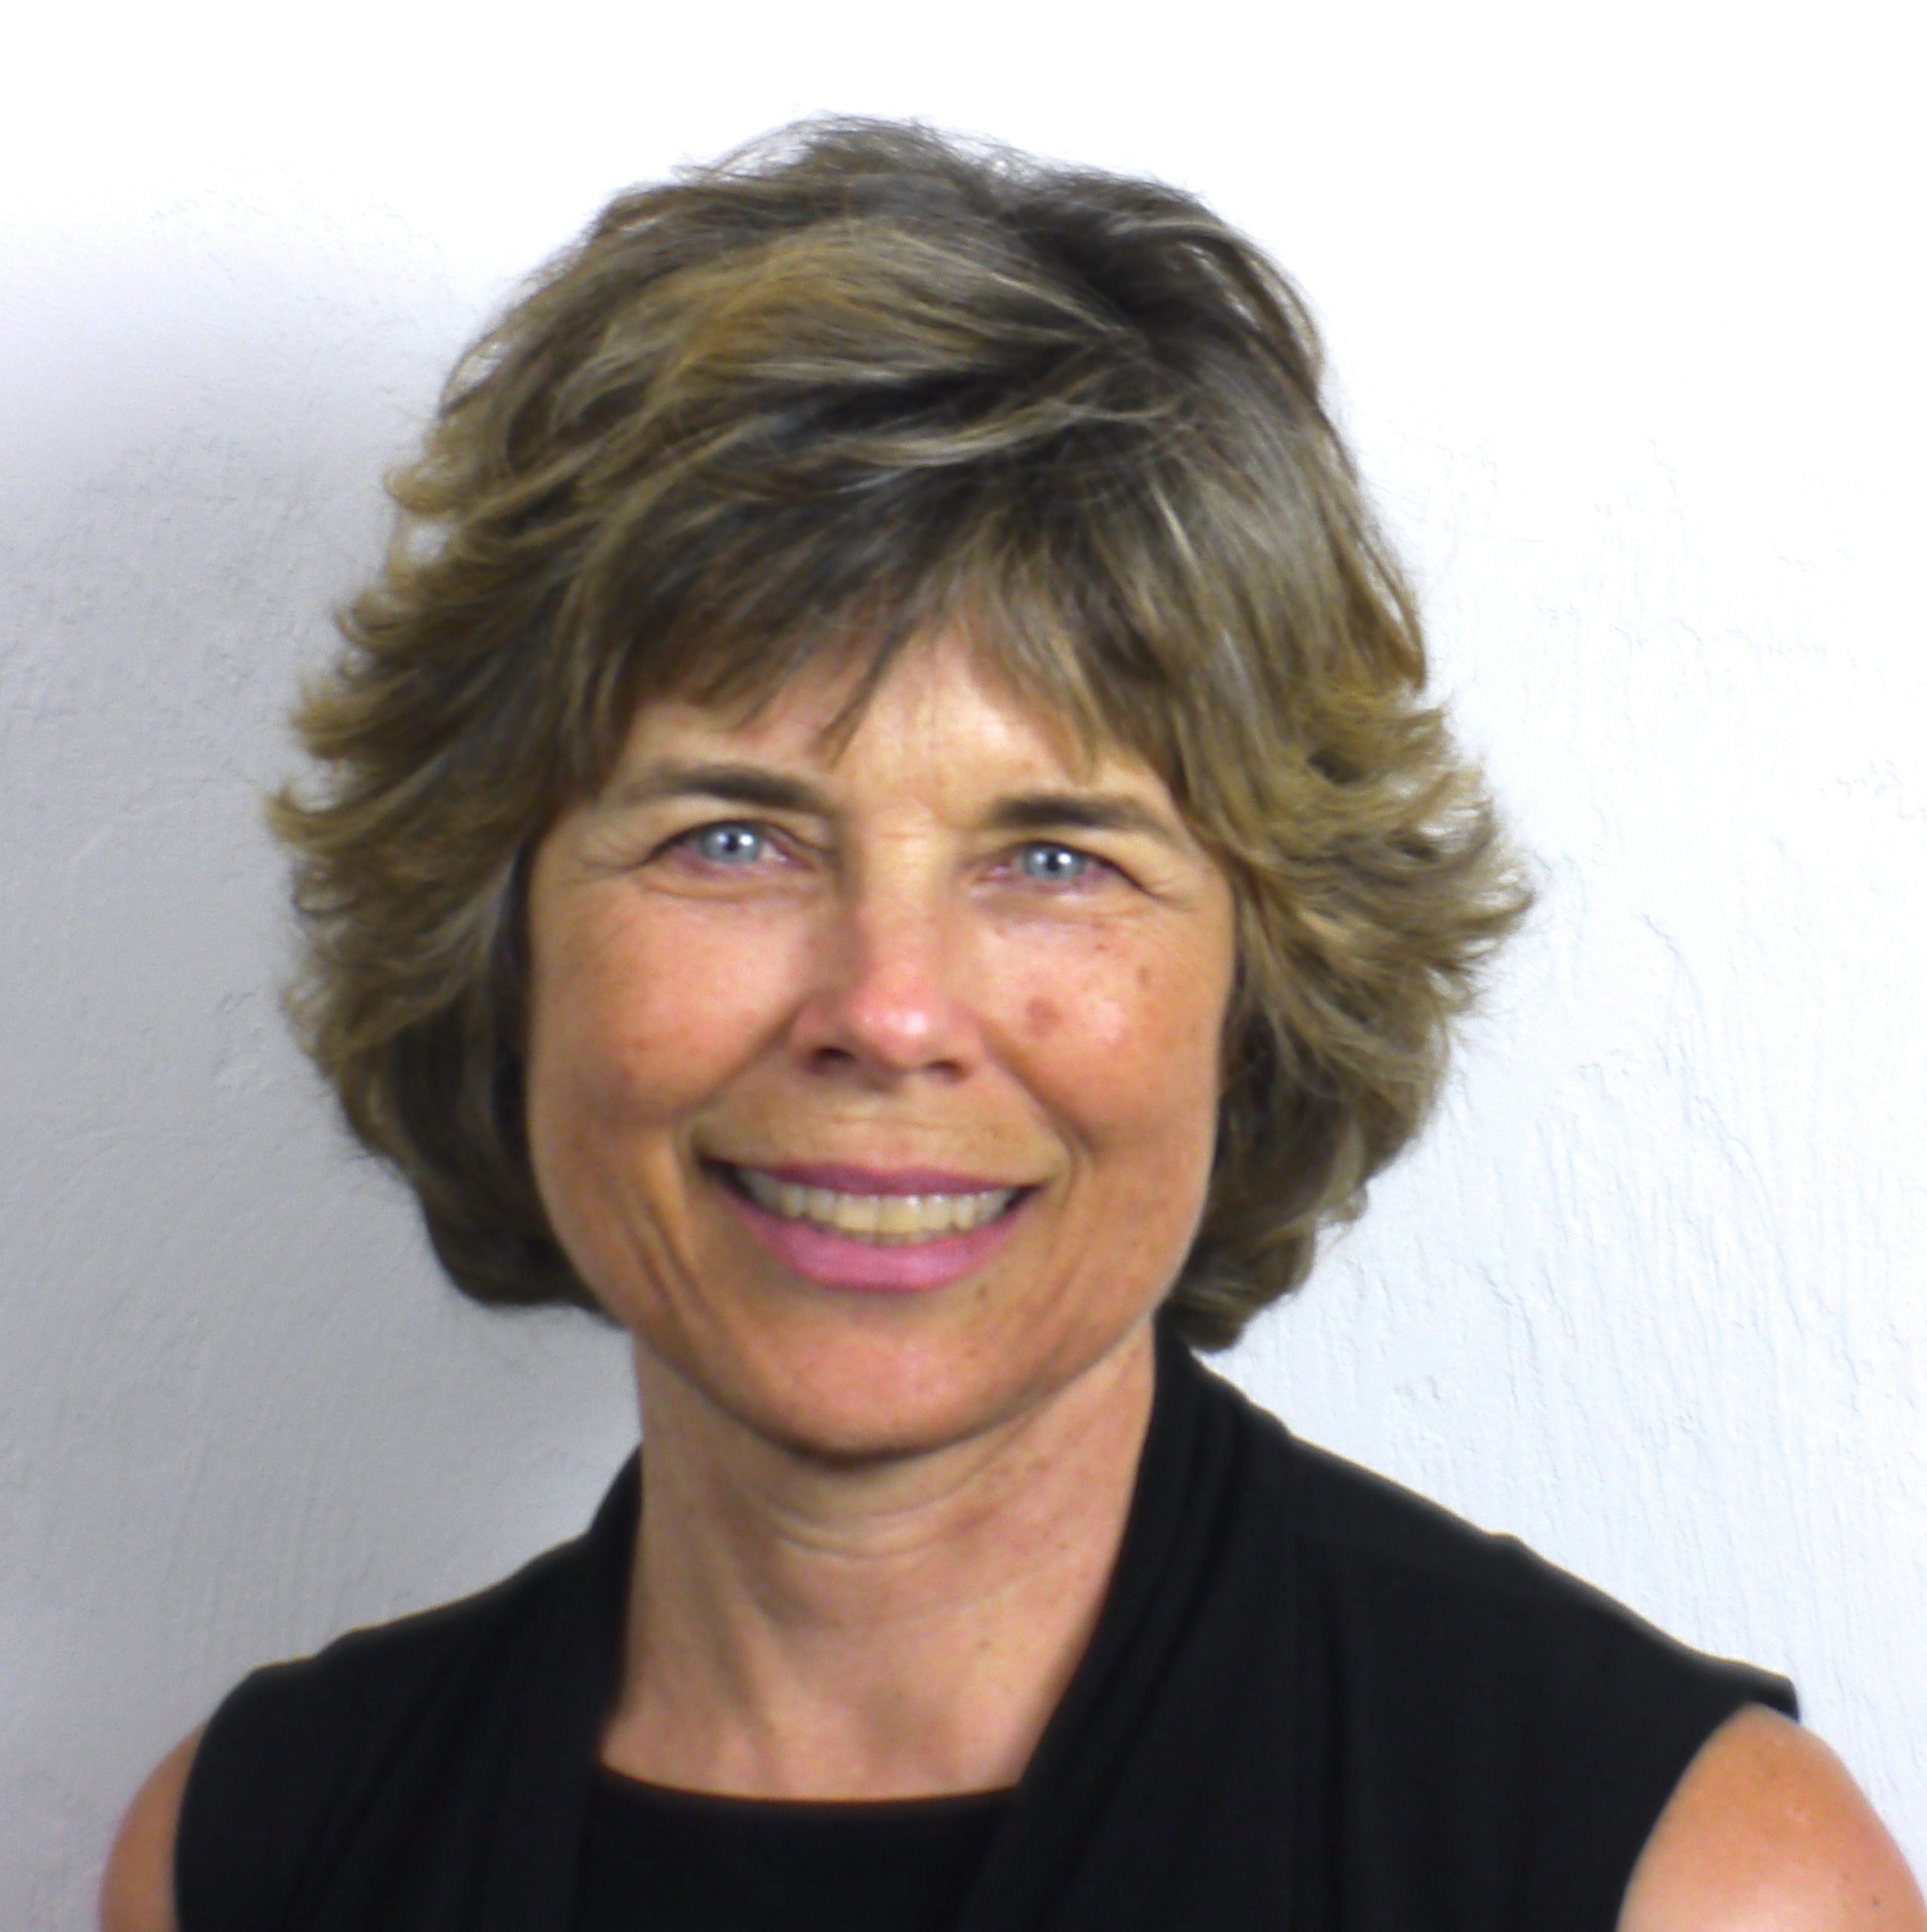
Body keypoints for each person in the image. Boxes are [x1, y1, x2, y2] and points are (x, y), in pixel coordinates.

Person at [103, 118, 1920, 1930]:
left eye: (1052, 852)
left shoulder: (1688, 1876)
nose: (887, 1010)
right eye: (730, 836)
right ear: (498, 936)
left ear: (1264, 977)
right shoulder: (252, 1853)